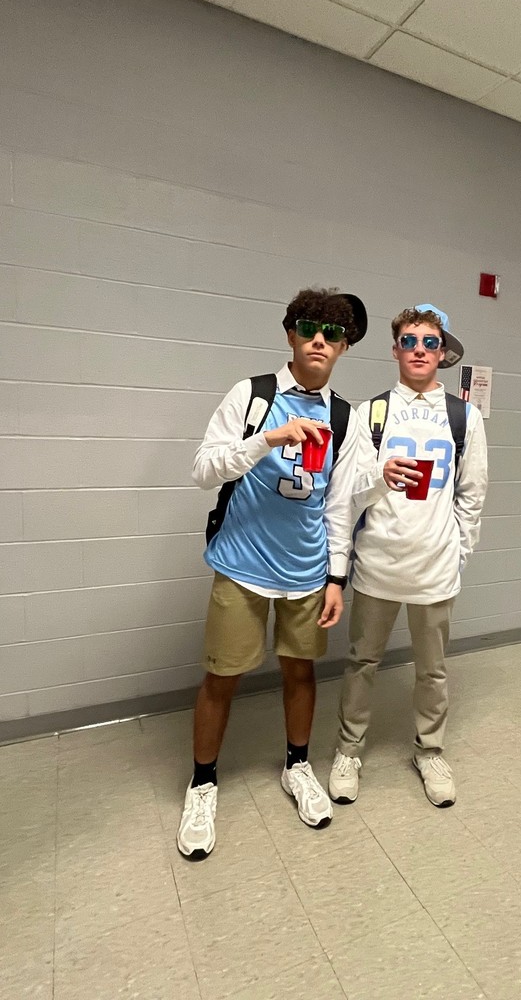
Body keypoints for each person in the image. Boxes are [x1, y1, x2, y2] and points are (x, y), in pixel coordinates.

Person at [176, 287, 366, 860]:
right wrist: (266, 440)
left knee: (301, 672)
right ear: (290, 334)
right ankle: (202, 784)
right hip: (242, 565)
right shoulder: (253, 396)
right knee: (221, 677)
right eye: (308, 329)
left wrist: (336, 578)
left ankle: (297, 766)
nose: (319, 341)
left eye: (332, 334)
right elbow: (203, 470)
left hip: (307, 570)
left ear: (344, 347)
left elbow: (339, 506)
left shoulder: (345, 417)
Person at [329, 304, 488, 808]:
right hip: (378, 563)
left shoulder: (464, 417)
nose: (419, 350)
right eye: (410, 341)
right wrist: (380, 476)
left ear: (443, 352)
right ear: (395, 349)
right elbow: (349, 493)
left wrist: (458, 553)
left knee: (432, 670)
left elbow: (473, 494)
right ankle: (349, 750)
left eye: (429, 342)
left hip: (435, 567)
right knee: (361, 662)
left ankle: (429, 750)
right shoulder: (370, 413)